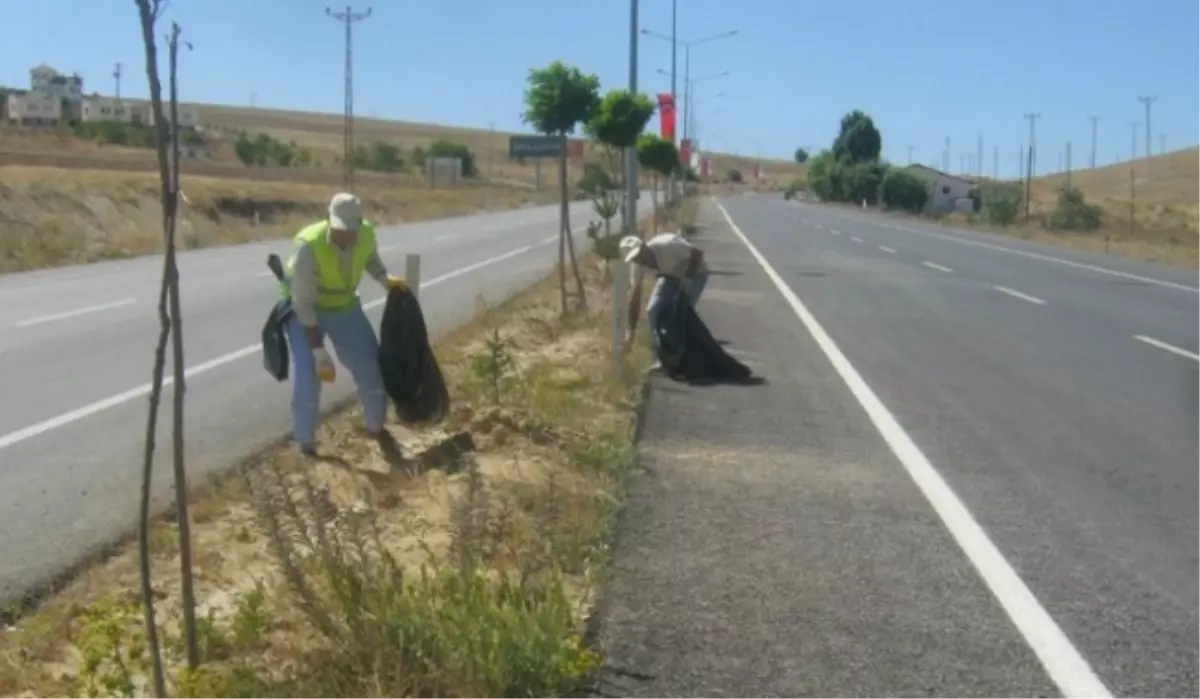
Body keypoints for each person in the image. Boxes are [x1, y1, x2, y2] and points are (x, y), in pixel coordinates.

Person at [280, 192, 408, 455]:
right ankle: (306, 445)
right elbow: (302, 301)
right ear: (328, 219)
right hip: (306, 313)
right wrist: (317, 350)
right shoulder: (309, 246)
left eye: (351, 231)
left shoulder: (367, 235)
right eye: (339, 230)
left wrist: (384, 278)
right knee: (308, 377)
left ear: (360, 224)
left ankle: (376, 428)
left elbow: (370, 258)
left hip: (345, 309)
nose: (345, 236)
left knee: (370, 367)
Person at [620, 232, 710, 368]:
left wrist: (687, 279)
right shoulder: (638, 266)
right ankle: (662, 357)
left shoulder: (668, 245)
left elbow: (697, 254)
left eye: (640, 254)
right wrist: (630, 332)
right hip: (670, 275)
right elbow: (635, 299)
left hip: (695, 272)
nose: (640, 260)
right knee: (653, 310)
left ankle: (685, 354)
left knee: (682, 310)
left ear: (645, 247)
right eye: (635, 259)